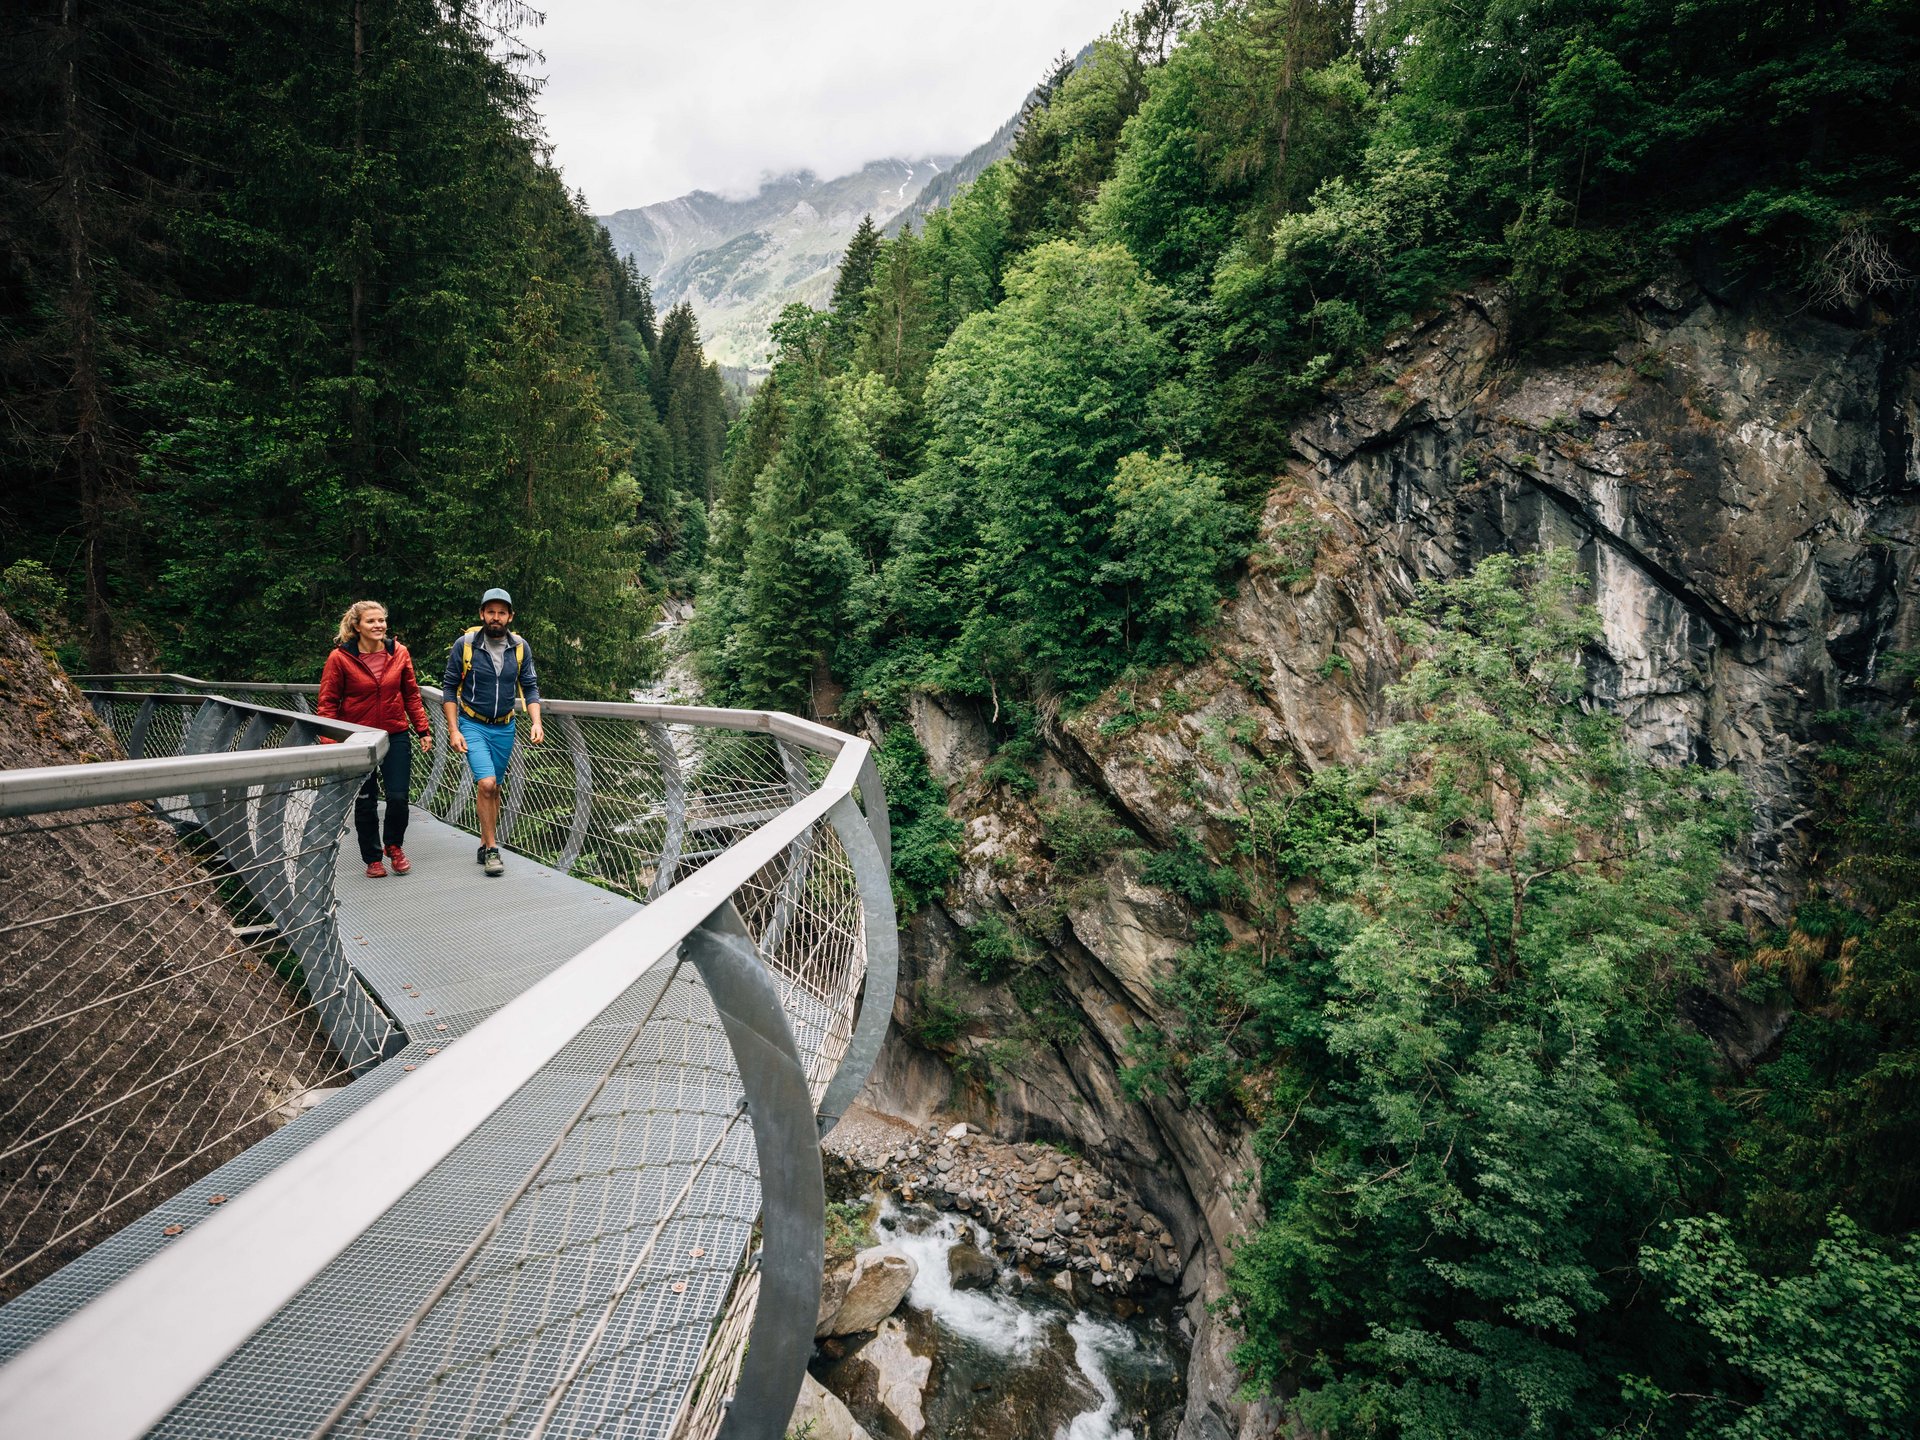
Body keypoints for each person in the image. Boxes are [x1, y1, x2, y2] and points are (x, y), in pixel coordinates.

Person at [317, 600, 434, 877]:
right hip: (356, 738)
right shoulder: (340, 658)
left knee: (398, 796)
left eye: (381, 620)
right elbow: (328, 702)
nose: (378, 625)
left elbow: (411, 694)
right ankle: (372, 858)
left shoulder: (399, 653)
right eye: (371, 621)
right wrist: (330, 743)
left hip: (395, 733)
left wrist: (423, 730)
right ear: (357, 626)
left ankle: (394, 846)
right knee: (366, 800)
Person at [442, 587, 542, 877]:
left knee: (495, 786)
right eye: (490, 612)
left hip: (505, 727)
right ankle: (492, 849)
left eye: (501, 612)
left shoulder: (520, 647)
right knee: (486, 784)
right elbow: (449, 688)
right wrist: (453, 729)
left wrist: (536, 722)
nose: (495, 617)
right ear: (482, 614)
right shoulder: (466, 644)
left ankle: (485, 842)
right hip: (472, 723)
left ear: (510, 616)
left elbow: (530, 687)